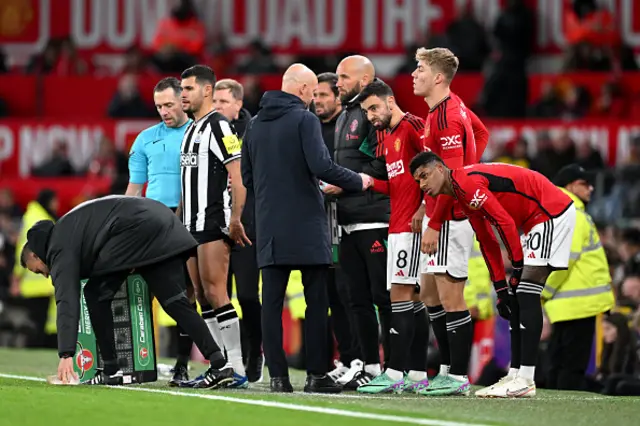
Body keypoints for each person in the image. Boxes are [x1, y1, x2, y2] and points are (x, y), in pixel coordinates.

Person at [242, 63, 371, 393]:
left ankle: (278, 378)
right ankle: (316, 375)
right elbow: (321, 166)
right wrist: (359, 180)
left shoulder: (254, 125)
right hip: (306, 225)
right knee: (317, 300)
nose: (314, 99)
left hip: (270, 226)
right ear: (301, 90)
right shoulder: (305, 119)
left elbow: (247, 178)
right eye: (312, 92)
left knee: (270, 304)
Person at [19, 196, 232, 389]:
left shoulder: (59, 246)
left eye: (38, 270)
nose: (45, 275)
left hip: (144, 230)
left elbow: (66, 300)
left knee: (100, 295)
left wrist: (66, 354)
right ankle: (217, 363)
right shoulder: (67, 230)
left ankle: (218, 364)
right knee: (172, 302)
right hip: (157, 224)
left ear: (37, 256)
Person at [410, 152, 577, 398]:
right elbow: (487, 241)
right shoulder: (460, 193)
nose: (423, 184)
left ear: (440, 169)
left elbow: (505, 223)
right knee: (515, 296)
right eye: (418, 181)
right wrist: (500, 288)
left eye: (424, 175)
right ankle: (516, 373)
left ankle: (526, 379)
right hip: (535, 219)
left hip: (551, 211)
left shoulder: (466, 184)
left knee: (526, 291)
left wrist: (517, 268)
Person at [412, 47, 489, 396]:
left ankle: (457, 376)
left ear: (438, 77)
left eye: (421, 69)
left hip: (450, 216)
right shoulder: (446, 109)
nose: (414, 74)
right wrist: (471, 167)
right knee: (428, 292)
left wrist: (434, 221)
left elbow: (449, 177)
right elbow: (482, 132)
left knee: (451, 296)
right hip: (443, 211)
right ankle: (445, 368)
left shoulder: (445, 118)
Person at [345, 80, 430, 394]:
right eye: (366, 111)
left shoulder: (412, 127)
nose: (370, 116)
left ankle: (396, 372)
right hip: (397, 227)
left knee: (402, 299)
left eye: (374, 108)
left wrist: (424, 208)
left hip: (411, 228)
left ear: (390, 101)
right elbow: (397, 186)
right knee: (411, 300)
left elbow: (438, 170)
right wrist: (365, 182)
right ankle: (418, 373)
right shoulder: (389, 137)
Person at [178, 65, 250, 388]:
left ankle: (236, 367)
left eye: (188, 89)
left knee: (217, 293)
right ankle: (218, 364)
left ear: (207, 91)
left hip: (212, 221)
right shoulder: (191, 129)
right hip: (188, 225)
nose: (183, 94)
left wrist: (235, 219)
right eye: (181, 89)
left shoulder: (220, 126)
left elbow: (238, 178)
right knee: (203, 299)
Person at [125, 77, 194, 386]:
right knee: (140, 292)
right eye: (158, 106)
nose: (164, 111)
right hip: (152, 222)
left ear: (184, 100)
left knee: (188, 296)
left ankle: (182, 363)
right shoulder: (144, 139)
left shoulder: (198, 134)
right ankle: (137, 359)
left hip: (190, 219)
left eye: (169, 104)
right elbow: (134, 190)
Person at [331, 55, 391, 389]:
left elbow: (384, 165)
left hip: (373, 218)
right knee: (356, 299)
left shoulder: (375, 115)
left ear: (365, 79)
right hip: (347, 219)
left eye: (343, 76)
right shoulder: (345, 116)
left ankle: (396, 368)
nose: (337, 82)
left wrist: (348, 183)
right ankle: (370, 366)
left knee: (383, 297)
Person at [542, 164, 614, 391]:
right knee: (572, 367)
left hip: (565, 304)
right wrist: (542, 293)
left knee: (557, 362)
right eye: (585, 183)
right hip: (579, 305)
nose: (591, 188)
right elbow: (565, 260)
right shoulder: (574, 214)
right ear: (571, 185)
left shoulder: (555, 212)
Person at [213, 78, 263, 383]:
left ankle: (254, 351)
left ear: (238, 104)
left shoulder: (255, 131)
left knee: (246, 295)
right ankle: (225, 359)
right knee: (219, 295)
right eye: (214, 101)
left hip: (247, 225)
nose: (216, 107)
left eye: (222, 102)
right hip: (216, 225)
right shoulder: (207, 131)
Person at [314, 72, 361, 384]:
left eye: (322, 96)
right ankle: (345, 358)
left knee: (350, 292)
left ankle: (362, 358)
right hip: (321, 219)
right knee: (332, 293)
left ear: (338, 97)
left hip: (350, 217)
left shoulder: (349, 127)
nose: (316, 101)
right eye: (314, 96)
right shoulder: (311, 127)